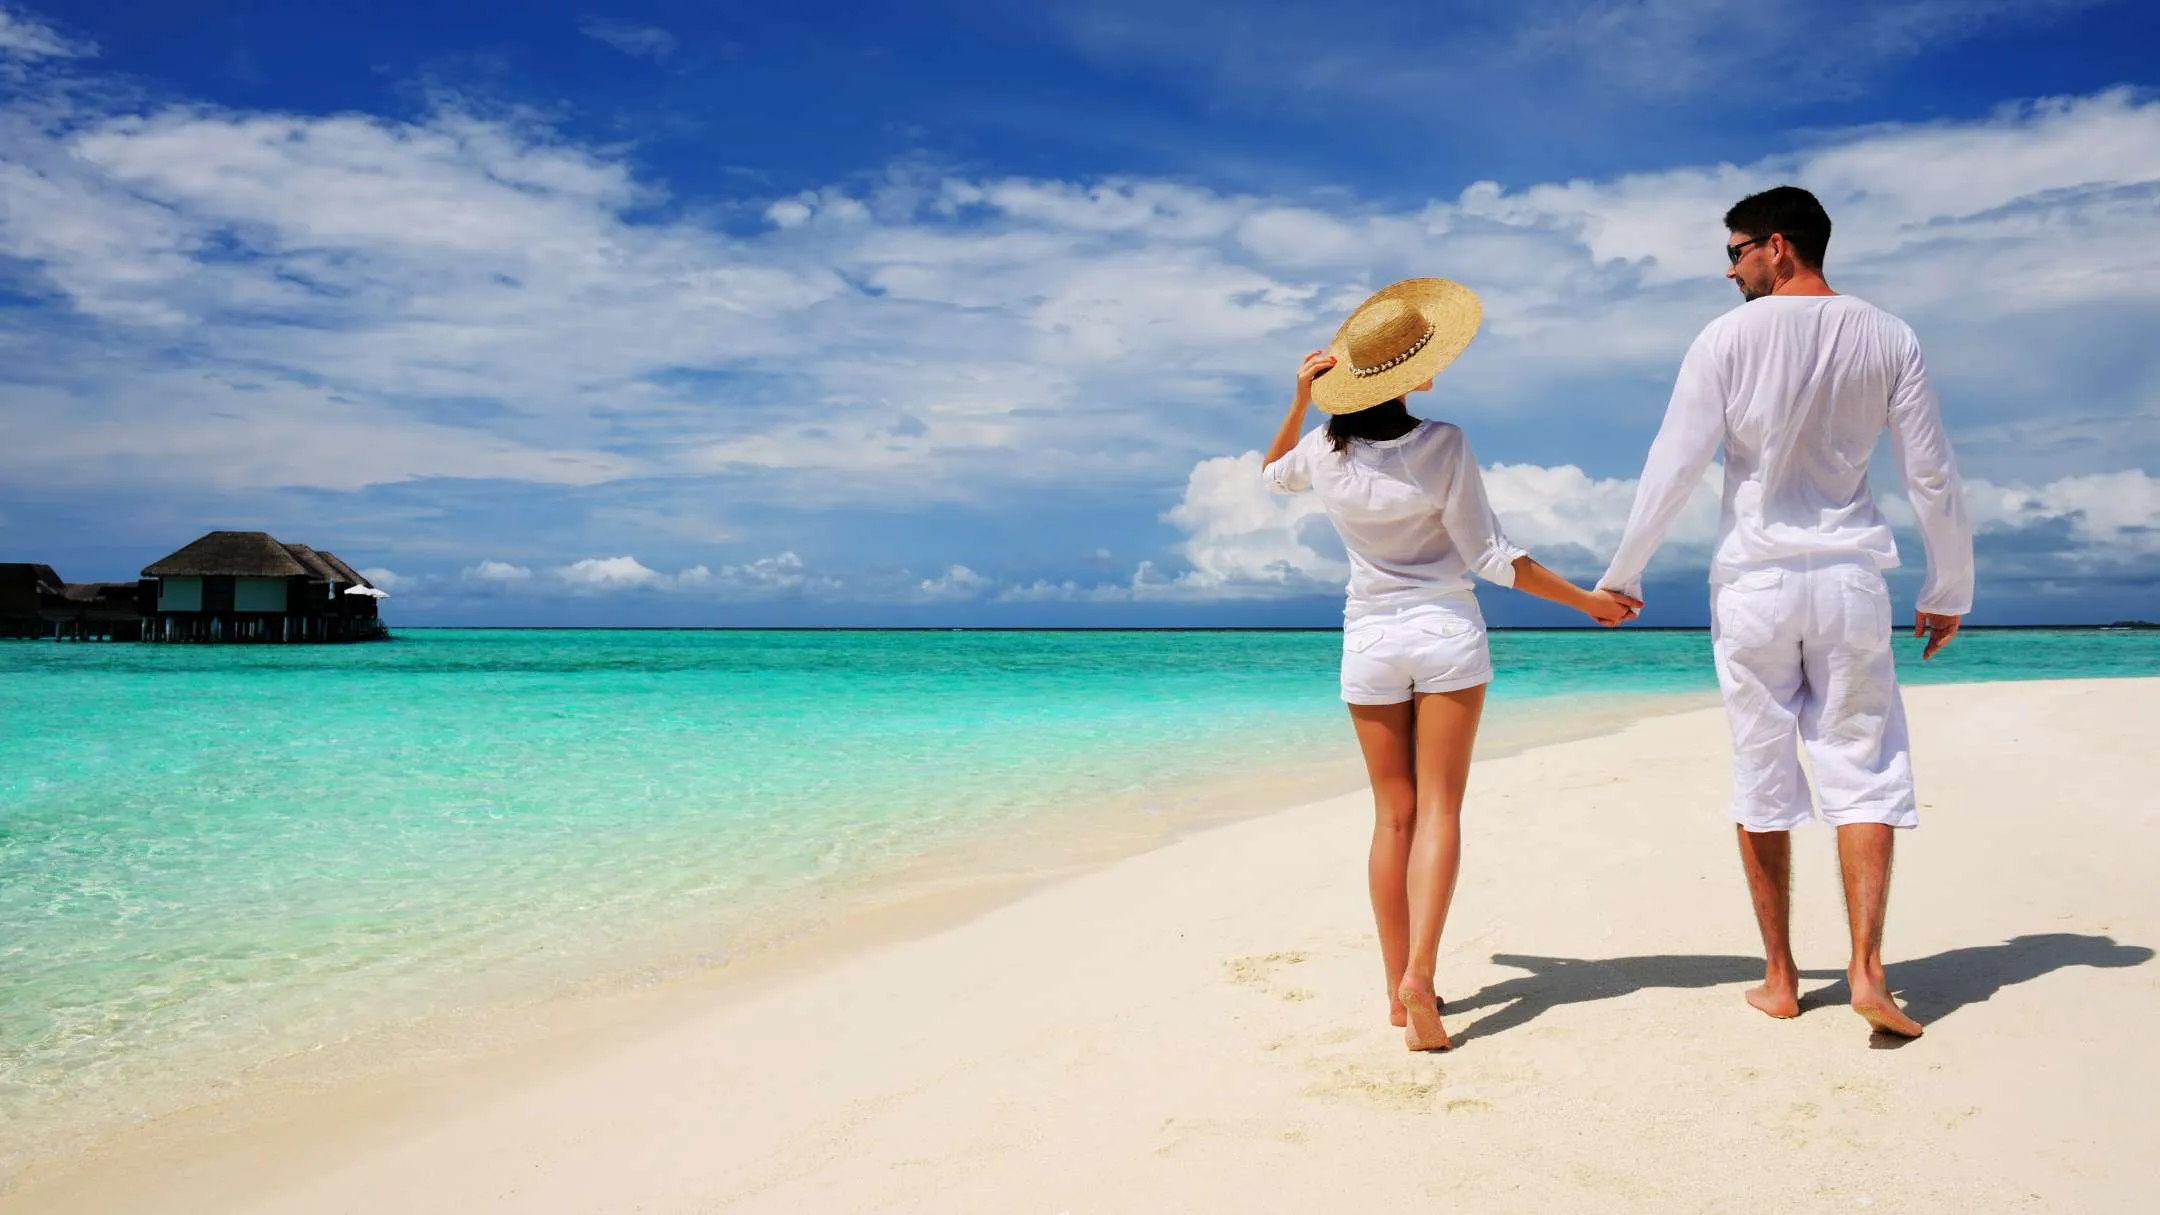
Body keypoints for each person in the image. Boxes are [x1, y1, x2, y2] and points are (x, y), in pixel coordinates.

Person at [1596, 186, 1974, 1038]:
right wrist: (1948, 588)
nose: (1728, 270)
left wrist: (1625, 573)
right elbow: (1933, 475)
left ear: (1777, 246)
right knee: (1864, 766)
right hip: (1849, 582)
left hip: (1756, 587)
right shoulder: (1890, 334)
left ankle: (1779, 977)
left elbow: (1675, 463)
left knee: (1763, 772)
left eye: (1734, 253)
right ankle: (1869, 972)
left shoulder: (1725, 339)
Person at [1263, 278, 1641, 1052]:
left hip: (1367, 640)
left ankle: (1396, 991)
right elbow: (1494, 557)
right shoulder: (1444, 445)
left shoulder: (1322, 454)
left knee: (1391, 816)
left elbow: (1269, 474)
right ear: (1416, 373)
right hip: (1444, 634)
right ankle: (1422, 973)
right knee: (1438, 811)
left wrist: (1300, 398)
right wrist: (1588, 603)